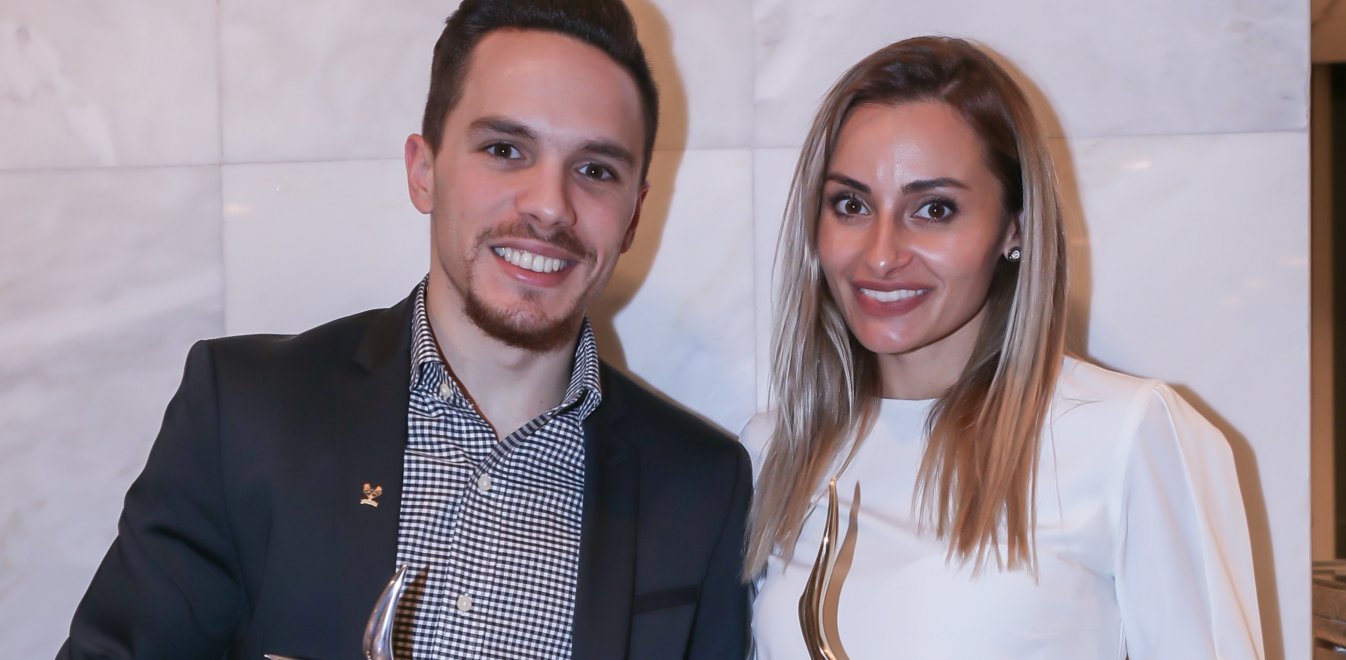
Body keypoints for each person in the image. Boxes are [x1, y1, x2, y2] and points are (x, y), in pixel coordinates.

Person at [60, 1, 751, 658]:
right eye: (506, 149)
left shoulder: (703, 487)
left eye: (595, 170)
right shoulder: (243, 412)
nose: (549, 205)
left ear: (632, 217)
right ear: (423, 172)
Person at [741, 36, 1263, 659]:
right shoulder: (776, 450)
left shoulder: (1126, 435)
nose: (880, 255)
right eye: (850, 204)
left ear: (1014, 227)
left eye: (934, 209)